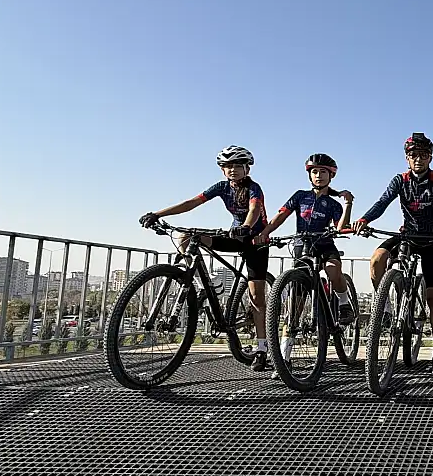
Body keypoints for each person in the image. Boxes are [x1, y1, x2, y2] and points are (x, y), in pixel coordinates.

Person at [139, 145, 272, 372]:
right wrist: (157, 214)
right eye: (228, 166)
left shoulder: (254, 188)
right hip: (234, 235)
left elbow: (254, 210)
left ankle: (262, 348)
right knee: (186, 236)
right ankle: (206, 283)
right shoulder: (221, 187)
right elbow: (192, 202)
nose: (233, 170)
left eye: (238, 166)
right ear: (222, 170)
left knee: (256, 297)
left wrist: (247, 227)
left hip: (255, 241)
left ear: (247, 168)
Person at [352, 132, 433, 375]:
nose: (418, 159)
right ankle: (388, 307)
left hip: (432, 240)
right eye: (413, 155)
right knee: (377, 260)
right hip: (407, 236)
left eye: (423, 155)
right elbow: (382, 203)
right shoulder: (400, 180)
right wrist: (363, 219)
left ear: (430, 157)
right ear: (407, 157)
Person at [255, 153, 356, 371]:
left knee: (332, 270)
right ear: (309, 175)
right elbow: (280, 216)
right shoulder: (300, 196)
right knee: (294, 308)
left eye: (323, 172)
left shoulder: (333, 203)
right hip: (302, 248)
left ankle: (344, 301)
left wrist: (347, 203)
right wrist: (265, 232)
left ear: (331, 176)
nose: (318, 176)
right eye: (315, 172)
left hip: (325, 245)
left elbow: (341, 227)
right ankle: (283, 359)